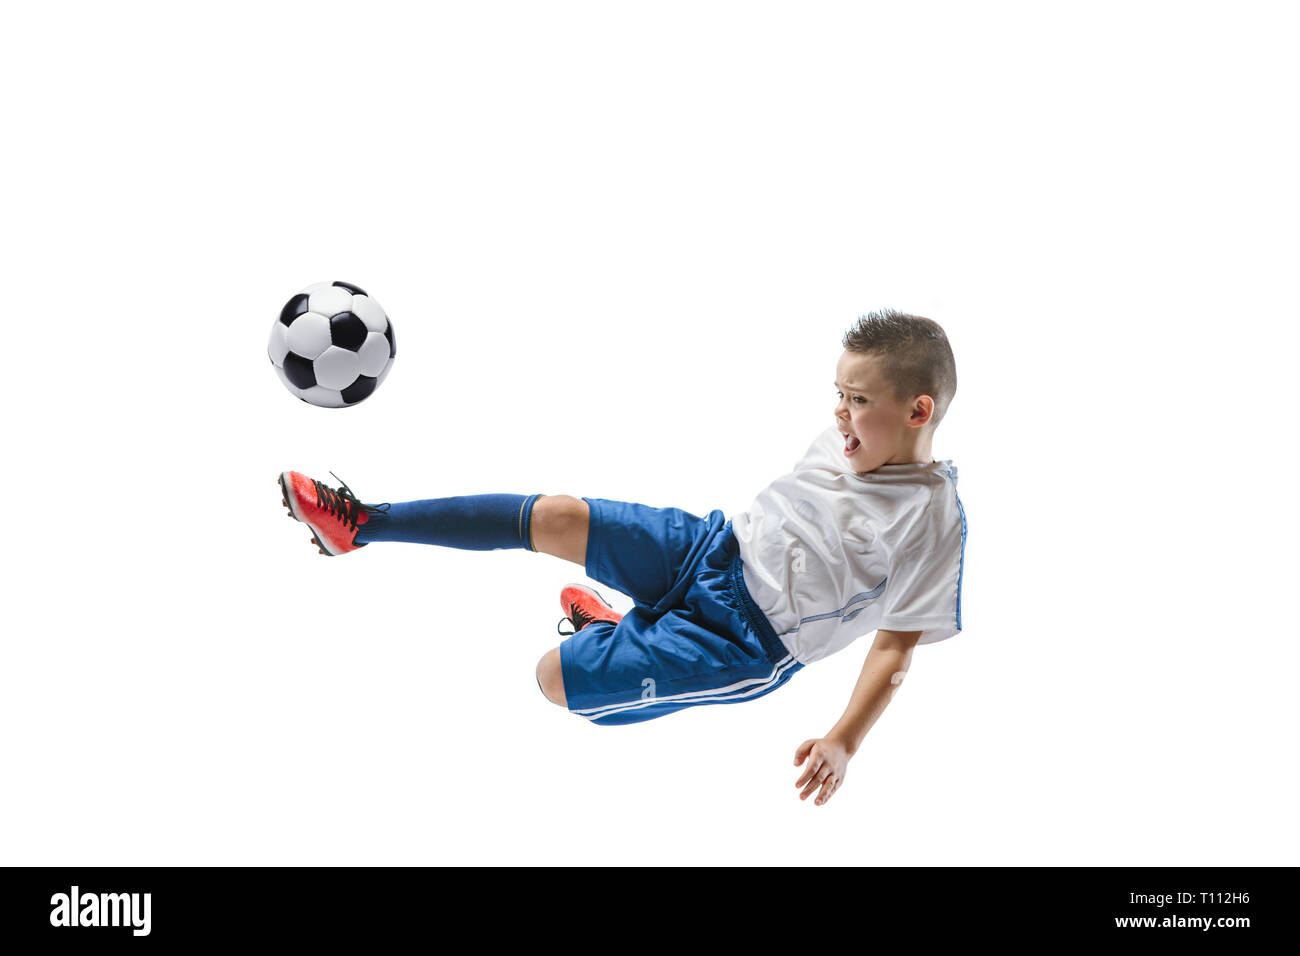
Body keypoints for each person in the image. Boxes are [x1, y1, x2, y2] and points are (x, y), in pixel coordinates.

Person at [277, 309, 966, 806]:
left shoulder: (932, 519)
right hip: (709, 546)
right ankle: (361, 524)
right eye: (838, 396)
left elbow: (894, 648)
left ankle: (611, 634)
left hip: (741, 640)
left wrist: (844, 740)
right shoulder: (845, 437)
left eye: (859, 401)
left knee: (554, 680)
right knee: (556, 515)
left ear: (917, 411)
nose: (841, 415)